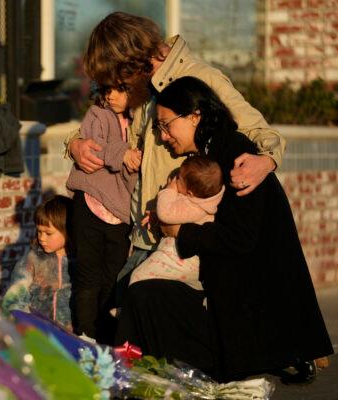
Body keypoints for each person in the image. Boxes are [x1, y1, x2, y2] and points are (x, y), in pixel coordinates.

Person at [116, 76, 334, 383]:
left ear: (195, 116)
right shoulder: (213, 152)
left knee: (146, 296)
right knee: (143, 295)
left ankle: (129, 376)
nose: (163, 136)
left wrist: (179, 231)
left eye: (166, 125)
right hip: (234, 302)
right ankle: (130, 374)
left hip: (247, 316)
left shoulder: (234, 155)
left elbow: (240, 237)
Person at [65, 12, 286, 301]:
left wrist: (267, 159)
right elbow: (108, 129)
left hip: (177, 238)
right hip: (142, 233)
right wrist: (74, 144)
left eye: (119, 78)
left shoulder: (200, 78)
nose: (118, 86)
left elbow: (258, 130)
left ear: (132, 61)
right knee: (118, 312)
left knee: (129, 317)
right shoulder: (147, 89)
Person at [66, 86, 141, 343]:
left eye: (120, 90)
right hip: (90, 201)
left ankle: (108, 340)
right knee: (88, 276)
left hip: (122, 212)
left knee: (114, 279)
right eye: (107, 89)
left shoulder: (144, 119)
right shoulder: (98, 113)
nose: (111, 96)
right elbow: (93, 149)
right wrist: (123, 154)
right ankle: (85, 336)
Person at [129, 156, 224, 291]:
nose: (174, 180)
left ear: (190, 193)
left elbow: (166, 213)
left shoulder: (195, 207)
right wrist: (156, 217)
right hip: (177, 257)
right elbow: (172, 214)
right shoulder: (197, 202)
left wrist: (169, 190)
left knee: (139, 276)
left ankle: (126, 310)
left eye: (178, 178)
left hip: (179, 259)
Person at [2, 195, 74, 330]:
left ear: (68, 230)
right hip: (38, 333)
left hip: (72, 337)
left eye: (48, 233)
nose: (41, 238)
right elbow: (14, 298)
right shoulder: (32, 260)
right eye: (39, 231)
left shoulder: (79, 261)